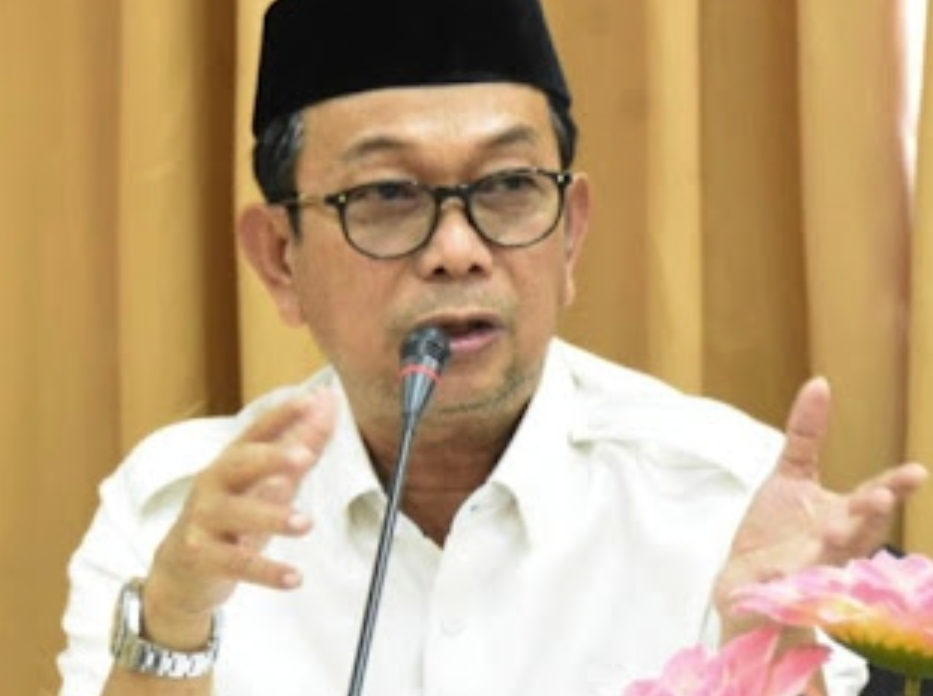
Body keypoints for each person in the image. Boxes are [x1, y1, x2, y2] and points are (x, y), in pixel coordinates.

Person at [57, 1, 928, 695]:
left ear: (570, 236)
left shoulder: (725, 499)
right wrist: (172, 628)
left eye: (509, 185)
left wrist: (760, 656)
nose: (457, 250)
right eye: (387, 195)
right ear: (280, 259)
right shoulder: (173, 515)